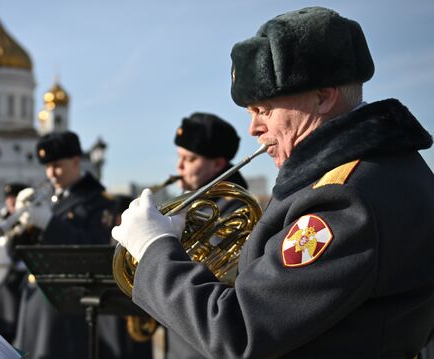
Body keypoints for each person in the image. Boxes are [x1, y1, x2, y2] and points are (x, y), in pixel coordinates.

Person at [112, 6, 434, 358]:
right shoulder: (384, 168)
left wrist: (155, 249)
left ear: (323, 97)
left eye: (264, 110)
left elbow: (239, 332)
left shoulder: (343, 199)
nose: (253, 128)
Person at [13, 130, 146, 358]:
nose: (51, 174)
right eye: (47, 167)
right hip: (35, 299)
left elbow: (93, 247)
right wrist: (21, 227)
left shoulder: (98, 201)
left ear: (75, 162)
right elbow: (23, 252)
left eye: (57, 165)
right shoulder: (50, 198)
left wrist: (48, 223)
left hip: (65, 308)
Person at [169, 112, 249, 359]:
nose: (179, 167)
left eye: (190, 159)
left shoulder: (235, 210)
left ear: (218, 164)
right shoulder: (195, 204)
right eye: (179, 157)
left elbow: (214, 274)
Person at [0, 182, 30, 343]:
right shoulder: (0, 219)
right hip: (2, 284)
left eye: (14, 198)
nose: (11, 202)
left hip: (23, 281)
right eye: (8, 198)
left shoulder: (29, 219)